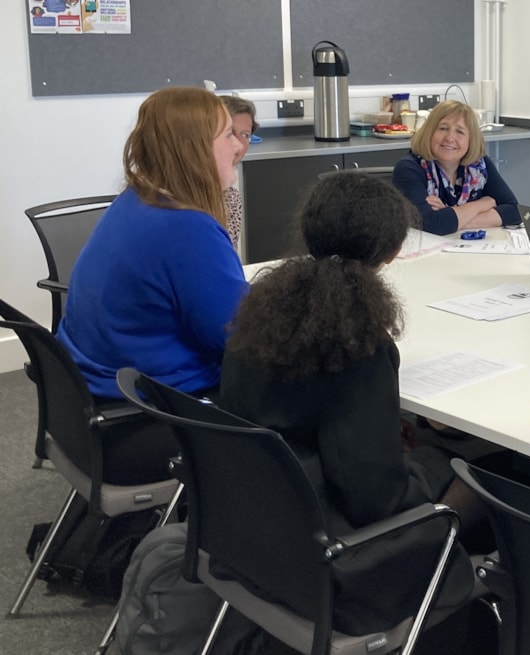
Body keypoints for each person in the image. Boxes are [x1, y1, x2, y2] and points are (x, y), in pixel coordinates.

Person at [220, 173, 477, 634]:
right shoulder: (356, 342)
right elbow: (374, 497)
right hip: (330, 555)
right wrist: (425, 465)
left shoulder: (263, 309)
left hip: (256, 526)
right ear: (392, 251)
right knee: (471, 474)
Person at [58, 86, 247, 401]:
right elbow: (239, 336)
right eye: (228, 135)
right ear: (195, 149)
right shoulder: (186, 228)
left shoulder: (135, 200)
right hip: (154, 403)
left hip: (93, 386)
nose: (238, 146)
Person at [391, 100, 520, 235]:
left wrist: (451, 215)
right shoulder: (408, 168)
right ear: (429, 132)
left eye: (460, 131)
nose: (450, 138)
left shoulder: (479, 166)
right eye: (443, 128)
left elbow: (514, 211)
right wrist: (483, 204)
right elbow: (430, 225)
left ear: (471, 140)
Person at [219, 95, 259, 249]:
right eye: (229, 133)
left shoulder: (232, 198)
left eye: (245, 135)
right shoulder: (184, 199)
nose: (238, 145)